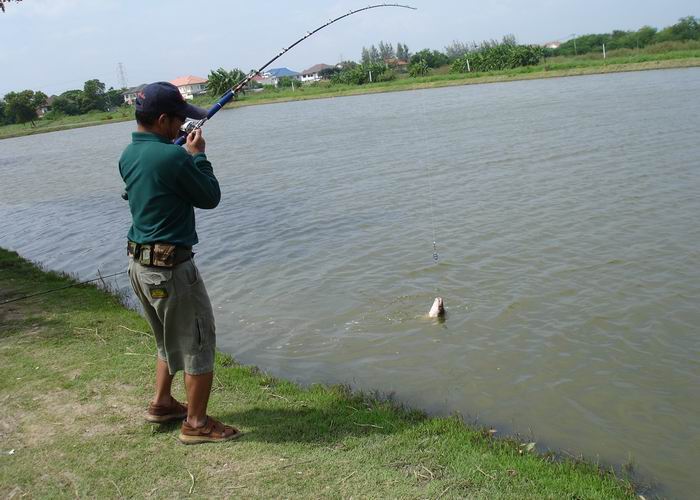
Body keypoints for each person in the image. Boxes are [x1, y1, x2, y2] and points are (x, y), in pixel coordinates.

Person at [119, 81, 240, 444]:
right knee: (198, 342)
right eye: (178, 120)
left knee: (166, 339)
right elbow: (209, 197)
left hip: (139, 268)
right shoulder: (173, 157)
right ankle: (197, 424)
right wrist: (198, 155)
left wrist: (178, 154)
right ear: (161, 119)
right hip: (171, 270)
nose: (181, 126)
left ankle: (161, 403)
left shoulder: (128, 154)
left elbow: (155, 180)